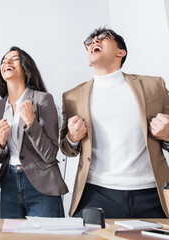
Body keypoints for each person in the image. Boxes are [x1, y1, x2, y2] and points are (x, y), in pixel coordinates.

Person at [60, 27, 169, 218]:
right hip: (96, 193)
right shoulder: (72, 97)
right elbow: (67, 149)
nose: (94, 42)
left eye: (102, 38)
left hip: (152, 193)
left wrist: (167, 136)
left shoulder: (155, 86)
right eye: (90, 41)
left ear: (121, 52)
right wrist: (72, 138)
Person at [0, 46, 68, 219]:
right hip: (9, 184)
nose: (7, 62)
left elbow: (50, 153)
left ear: (26, 67)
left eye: (14, 59)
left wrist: (31, 122)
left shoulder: (42, 100)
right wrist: (1, 142)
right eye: (3, 61)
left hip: (42, 183)